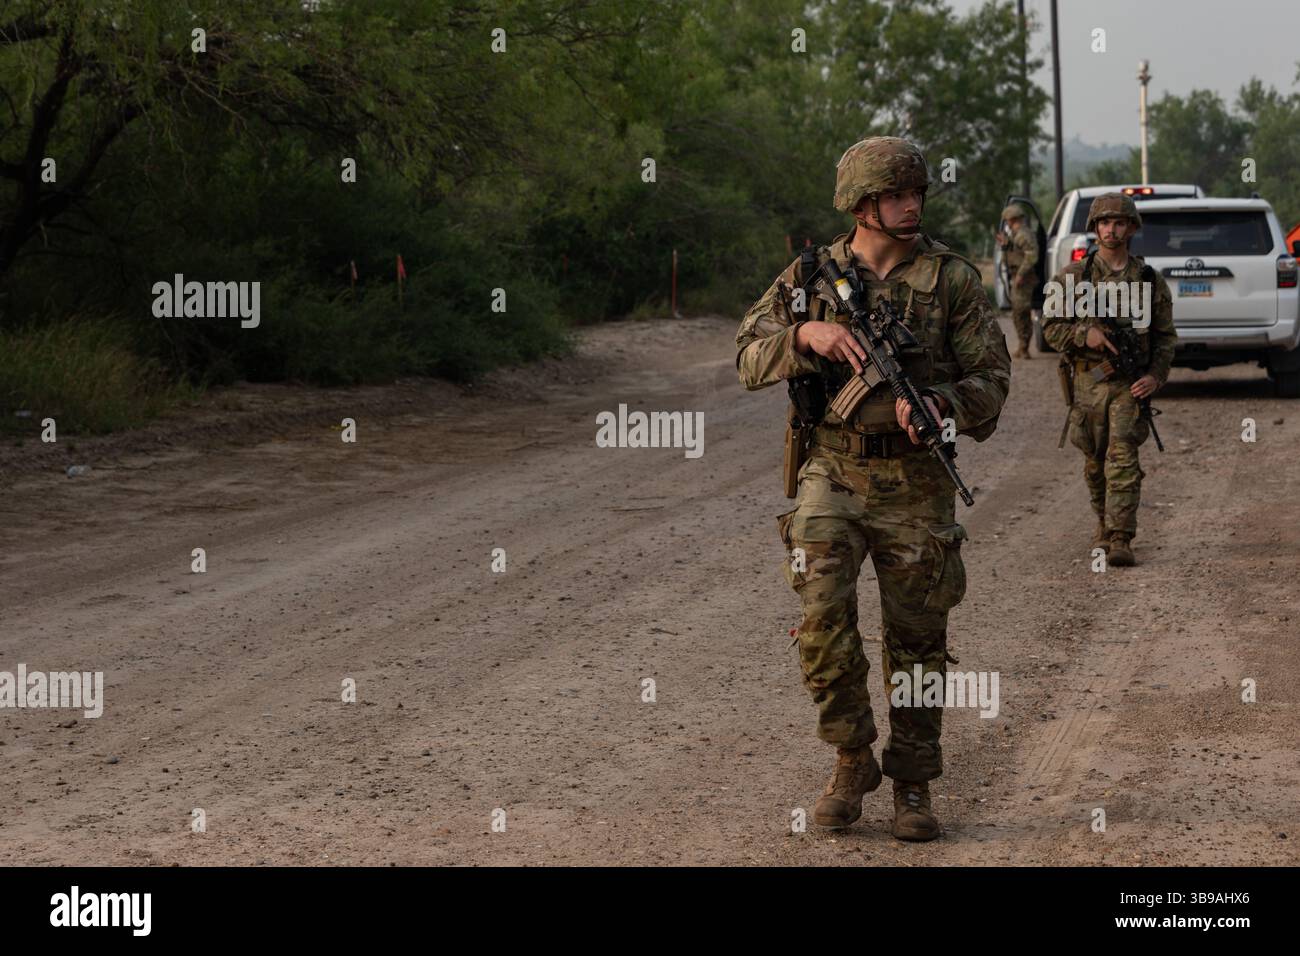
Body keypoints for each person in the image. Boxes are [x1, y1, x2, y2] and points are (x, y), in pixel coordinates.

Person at [735, 137, 1010, 840]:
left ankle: (913, 781)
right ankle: (852, 758)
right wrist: (807, 336)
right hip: (832, 469)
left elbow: (993, 381)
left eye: (917, 193)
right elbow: (747, 356)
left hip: (917, 480)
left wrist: (944, 404)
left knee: (918, 638)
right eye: (896, 195)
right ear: (861, 205)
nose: (911, 205)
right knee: (822, 620)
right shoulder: (809, 277)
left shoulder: (951, 279)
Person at [1041, 192, 1177, 566]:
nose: (1111, 230)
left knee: (1122, 456)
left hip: (1128, 386)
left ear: (1131, 228)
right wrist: (1082, 334)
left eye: (1119, 223)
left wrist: (1155, 376)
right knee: (1094, 462)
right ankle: (1102, 522)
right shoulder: (1072, 278)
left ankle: (1121, 536)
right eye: (1104, 222)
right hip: (1088, 384)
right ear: (1094, 228)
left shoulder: (1148, 280)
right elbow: (1050, 328)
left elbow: (1165, 337)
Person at [996, 203, 1038, 358]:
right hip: (1017, 277)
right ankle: (1022, 345)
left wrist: (1020, 274)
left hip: (1024, 279)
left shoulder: (1023, 234)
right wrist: (1005, 245)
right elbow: (1016, 252)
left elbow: (1032, 256)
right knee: (1018, 313)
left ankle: (1024, 347)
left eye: (1008, 220)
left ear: (1012, 219)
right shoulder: (1016, 234)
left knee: (1021, 313)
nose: (1007, 223)